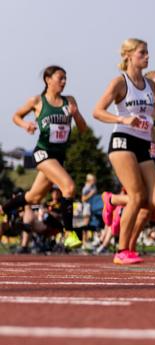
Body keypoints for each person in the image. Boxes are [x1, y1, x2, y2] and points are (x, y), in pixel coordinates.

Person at [93, 39, 155, 265]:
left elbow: (146, 118)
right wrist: (122, 118)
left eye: (147, 53)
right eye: (142, 53)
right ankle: (122, 250)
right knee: (136, 196)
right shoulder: (120, 82)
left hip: (143, 145)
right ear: (128, 56)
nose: (147, 57)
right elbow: (97, 111)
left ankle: (112, 200)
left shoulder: (150, 86)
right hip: (122, 142)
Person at [5, 66, 90, 246]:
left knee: (33, 197)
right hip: (43, 153)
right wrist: (25, 125)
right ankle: (69, 234)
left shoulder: (70, 101)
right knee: (68, 187)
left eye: (66, 78)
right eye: (60, 78)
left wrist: (76, 114)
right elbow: (16, 116)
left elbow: (83, 130)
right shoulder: (37, 101)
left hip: (59, 156)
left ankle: (3, 209)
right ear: (48, 80)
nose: (64, 82)